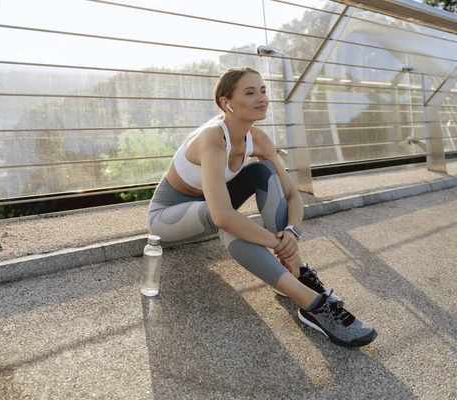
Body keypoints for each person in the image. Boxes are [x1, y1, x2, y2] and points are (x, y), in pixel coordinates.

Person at [146, 66, 377, 347]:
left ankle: (295, 273)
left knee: (264, 171)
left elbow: (293, 196)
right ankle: (313, 305)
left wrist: (292, 234)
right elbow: (222, 216)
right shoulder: (212, 138)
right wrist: (274, 242)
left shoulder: (259, 139)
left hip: (212, 207)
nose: (262, 98)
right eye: (250, 92)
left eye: (264, 91)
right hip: (170, 218)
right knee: (222, 218)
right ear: (225, 103)